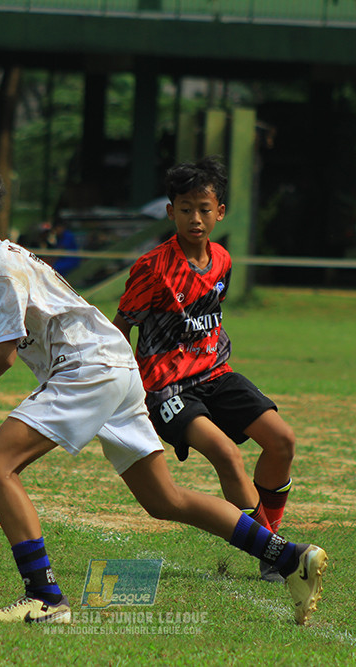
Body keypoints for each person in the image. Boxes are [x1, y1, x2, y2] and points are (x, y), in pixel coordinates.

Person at [0, 157, 327, 626]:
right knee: (164, 499)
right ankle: (289, 557)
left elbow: (3, 354)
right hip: (116, 367)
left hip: (89, 368)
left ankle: (44, 597)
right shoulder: (2, 256)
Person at [112, 156, 298, 583]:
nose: (195, 218)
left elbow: (210, 315)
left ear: (220, 212)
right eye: (185, 209)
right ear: (170, 211)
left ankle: (269, 539)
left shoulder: (222, 261)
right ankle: (273, 553)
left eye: (204, 208)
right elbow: (119, 330)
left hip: (215, 373)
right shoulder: (152, 268)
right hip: (167, 387)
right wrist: (124, 389)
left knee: (282, 441)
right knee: (227, 455)